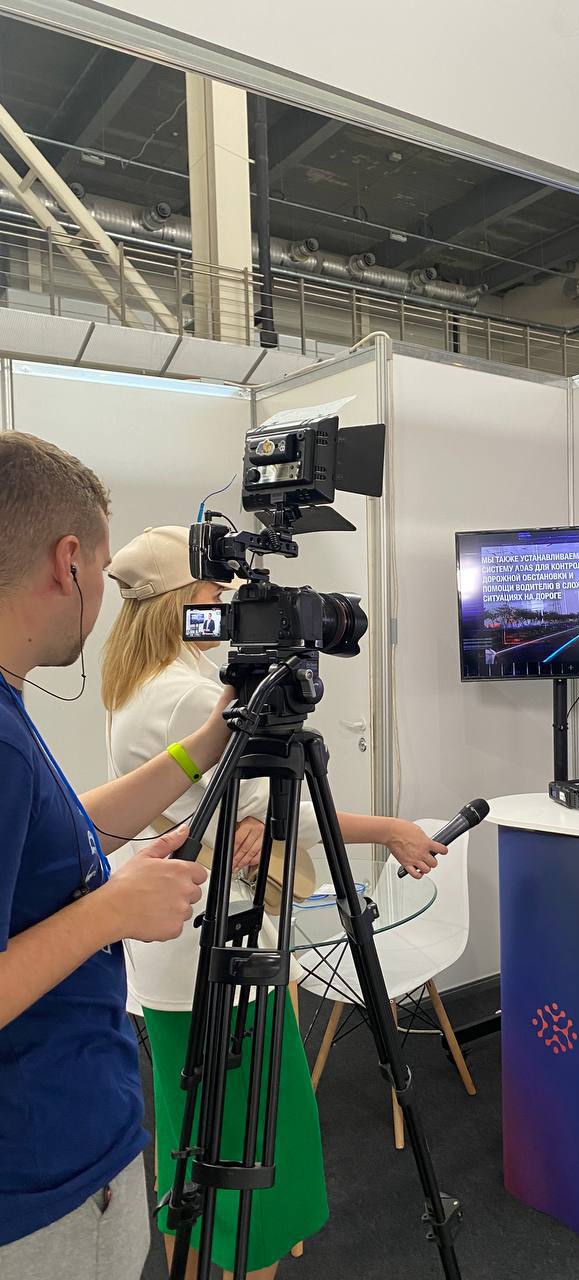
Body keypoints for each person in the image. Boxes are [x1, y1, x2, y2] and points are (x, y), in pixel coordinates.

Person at [101, 525, 447, 1280]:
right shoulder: (195, 695)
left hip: (171, 956)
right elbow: (290, 812)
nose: (229, 607)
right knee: (255, 1170)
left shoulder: (136, 684)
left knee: (188, 1158)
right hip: (225, 954)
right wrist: (391, 828)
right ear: (184, 601)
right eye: (216, 593)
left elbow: (255, 816)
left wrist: (262, 820)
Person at [0, 434, 232, 1279]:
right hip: (43, 1176)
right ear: (69, 562)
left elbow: (58, 831)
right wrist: (112, 910)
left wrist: (200, 750)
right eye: (99, 569)